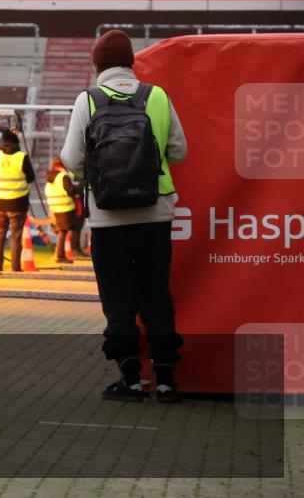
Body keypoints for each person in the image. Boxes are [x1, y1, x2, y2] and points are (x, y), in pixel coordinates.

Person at [60, 29, 187, 403]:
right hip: (156, 212)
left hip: (107, 216)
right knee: (156, 295)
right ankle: (165, 379)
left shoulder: (89, 100)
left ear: (97, 64)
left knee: (118, 299)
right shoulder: (158, 96)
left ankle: (130, 378)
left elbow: (71, 159)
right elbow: (179, 151)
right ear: (131, 62)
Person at [0, 129, 35, 275]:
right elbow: (31, 178)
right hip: (18, 203)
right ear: (17, 142)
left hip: (0, 203)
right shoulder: (22, 157)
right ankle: (15, 267)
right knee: (16, 236)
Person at [44, 158, 77, 263]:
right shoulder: (63, 176)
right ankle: (60, 256)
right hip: (65, 207)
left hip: (54, 207)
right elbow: (70, 190)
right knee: (63, 231)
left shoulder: (50, 178)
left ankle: (60, 255)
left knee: (62, 231)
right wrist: (76, 190)